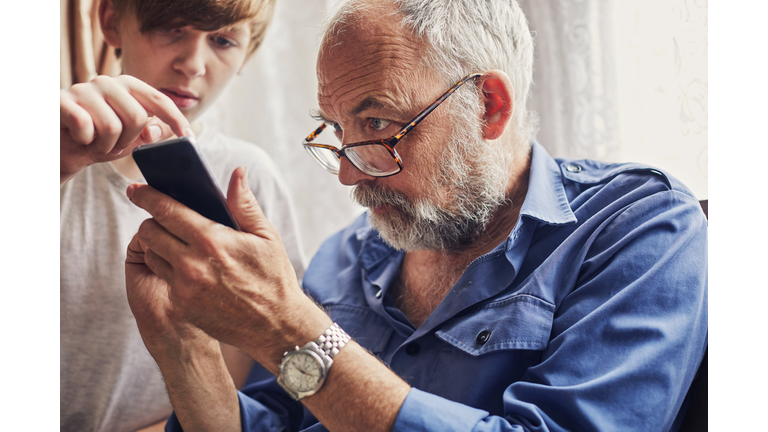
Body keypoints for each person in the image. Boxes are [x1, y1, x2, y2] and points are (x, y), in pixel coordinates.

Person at [123, 0, 708, 431]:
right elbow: (278, 419)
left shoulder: (642, 228)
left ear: (489, 105)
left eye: (377, 125)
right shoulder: (350, 255)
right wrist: (184, 348)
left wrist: (287, 326)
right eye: (338, 132)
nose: (350, 174)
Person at [59, 0, 306, 431]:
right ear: (112, 23)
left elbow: (254, 381)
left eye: (223, 40)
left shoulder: (248, 179)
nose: (193, 64)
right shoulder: (50, 152)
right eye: (172, 29)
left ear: (249, 52)